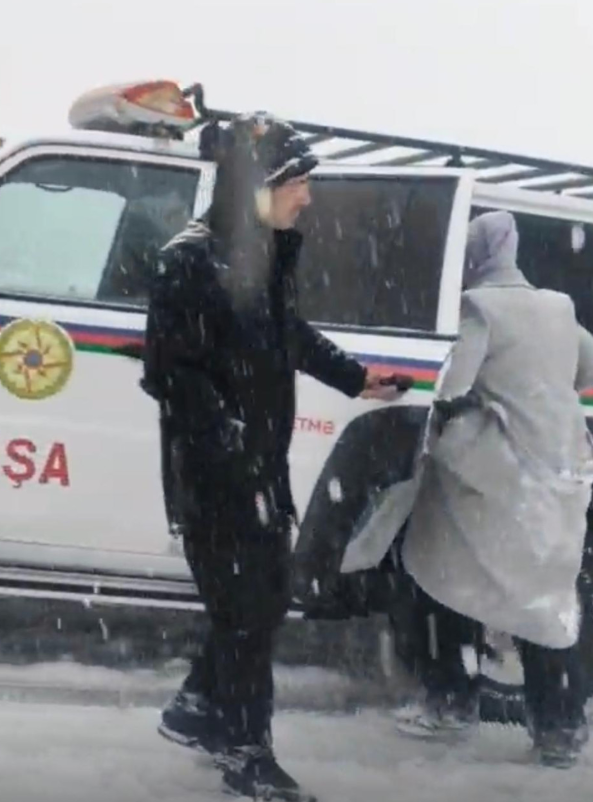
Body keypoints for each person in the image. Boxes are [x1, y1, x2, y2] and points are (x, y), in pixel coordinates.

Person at [141, 112, 402, 801]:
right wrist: (227, 444)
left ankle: (196, 710)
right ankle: (246, 754)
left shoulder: (258, 255)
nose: (307, 198)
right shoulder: (189, 260)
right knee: (248, 612)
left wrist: (355, 377)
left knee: (259, 602)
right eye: (297, 184)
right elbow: (171, 375)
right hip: (216, 476)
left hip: (259, 466)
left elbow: (288, 333)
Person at [396, 210, 593, 768]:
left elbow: (453, 386)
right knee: (543, 602)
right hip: (557, 479)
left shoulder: (480, 307)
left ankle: (450, 702)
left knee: (442, 577)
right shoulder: (559, 307)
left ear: (477, 252)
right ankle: (560, 728)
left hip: (496, 479)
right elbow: (586, 371)